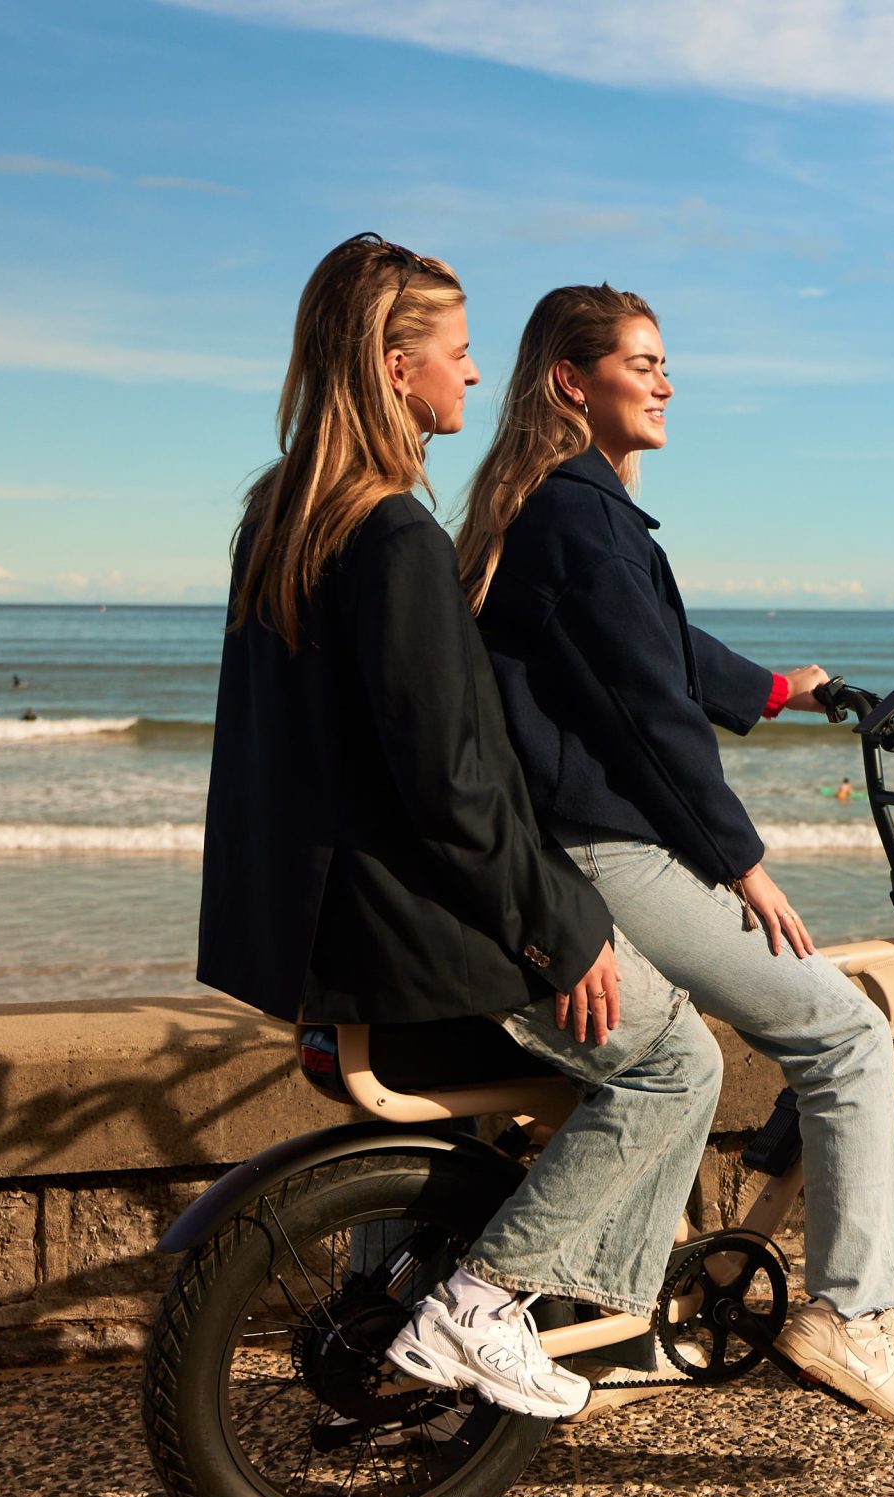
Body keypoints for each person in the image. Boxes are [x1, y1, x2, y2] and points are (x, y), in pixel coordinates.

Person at [196, 235, 724, 1423]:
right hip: (410, 931)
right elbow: (454, 780)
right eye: (461, 352)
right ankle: (489, 1304)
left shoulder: (276, 518)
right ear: (395, 367)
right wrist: (565, 932)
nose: (475, 379)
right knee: (675, 1060)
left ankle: (445, 1341)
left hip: (320, 933)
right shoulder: (392, 537)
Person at [458, 284, 894, 1430]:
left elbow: (661, 652)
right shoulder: (582, 515)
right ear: (573, 381)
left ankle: (629, 1301)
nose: (666, 382)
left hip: (567, 846)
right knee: (846, 1031)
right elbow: (646, 718)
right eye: (644, 361)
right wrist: (741, 862)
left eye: (666, 364)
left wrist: (778, 687)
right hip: (604, 852)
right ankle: (853, 1314)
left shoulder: (566, 509)